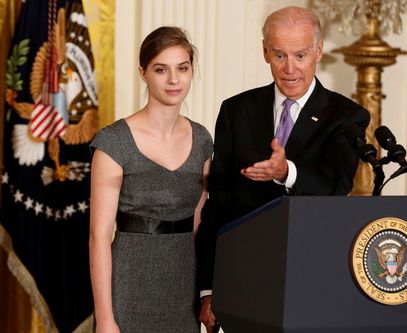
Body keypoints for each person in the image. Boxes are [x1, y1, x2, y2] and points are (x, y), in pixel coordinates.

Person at [196, 6, 370, 332]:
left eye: (301, 55)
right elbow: (218, 208)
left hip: (313, 282)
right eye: (279, 55)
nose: (290, 68)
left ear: (318, 50)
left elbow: (336, 186)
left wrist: (286, 171)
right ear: (265, 52)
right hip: (245, 286)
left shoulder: (346, 116)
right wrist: (209, 288)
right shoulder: (236, 111)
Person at [89, 26, 213, 333]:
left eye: (182, 68)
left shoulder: (202, 140)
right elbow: (99, 237)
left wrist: (208, 293)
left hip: (184, 283)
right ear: (143, 73)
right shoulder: (113, 142)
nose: (174, 80)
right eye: (161, 69)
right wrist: (105, 319)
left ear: (191, 71)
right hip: (129, 283)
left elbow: (201, 224)